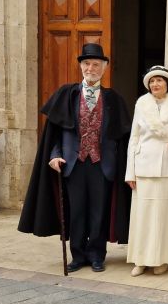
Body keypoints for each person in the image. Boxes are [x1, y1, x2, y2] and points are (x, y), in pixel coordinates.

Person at [18, 43, 132, 273]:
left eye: (96, 64)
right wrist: (55, 155)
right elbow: (55, 133)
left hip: (104, 165)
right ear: (81, 66)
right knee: (77, 211)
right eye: (87, 64)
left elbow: (124, 137)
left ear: (104, 68)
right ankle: (78, 255)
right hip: (73, 164)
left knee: (99, 212)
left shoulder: (113, 99)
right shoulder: (66, 94)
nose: (91, 68)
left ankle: (97, 255)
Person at [125, 66, 168, 276]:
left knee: (165, 216)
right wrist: (130, 172)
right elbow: (134, 139)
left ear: (167, 83)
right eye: (152, 81)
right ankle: (141, 260)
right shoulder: (141, 104)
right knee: (143, 216)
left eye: (160, 80)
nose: (155, 84)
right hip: (144, 166)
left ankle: (162, 259)